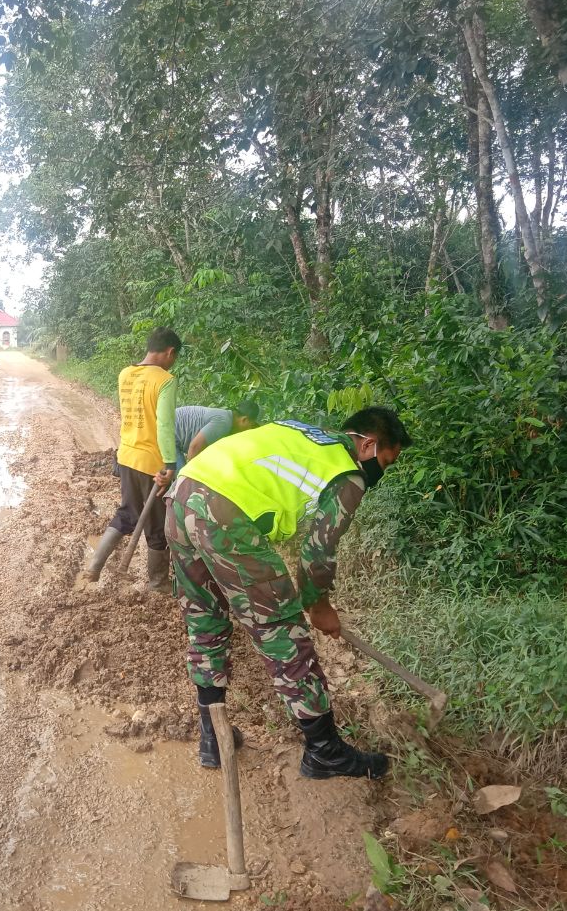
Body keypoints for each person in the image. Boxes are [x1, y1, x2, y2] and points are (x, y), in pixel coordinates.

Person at [165, 408, 411, 775]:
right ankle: (324, 750)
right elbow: (318, 551)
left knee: (205, 620)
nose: (382, 471)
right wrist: (317, 604)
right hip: (221, 514)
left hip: (182, 494)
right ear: (368, 445)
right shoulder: (346, 471)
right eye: (386, 462)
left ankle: (212, 738)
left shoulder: (299, 432)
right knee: (282, 631)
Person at [85, 327, 181, 589]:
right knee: (156, 524)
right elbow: (164, 424)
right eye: (174, 357)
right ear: (170, 352)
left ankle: (95, 565)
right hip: (152, 462)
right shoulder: (166, 380)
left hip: (126, 456)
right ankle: (158, 583)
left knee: (127, 512)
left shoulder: (125, 374)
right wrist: (170, 464)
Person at [174, 401, 260, 471]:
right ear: (244, 420)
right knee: (182, 481)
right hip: (168, 436)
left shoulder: (225, 419)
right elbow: (194, 447)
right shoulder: (224, 423)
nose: (250, 431)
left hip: (170, 436)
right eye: (251, 426)